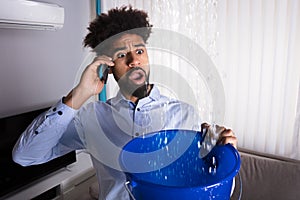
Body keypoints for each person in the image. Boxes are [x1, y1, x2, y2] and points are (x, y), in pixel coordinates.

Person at [13, 6, 237, 200]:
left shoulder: (184, 114)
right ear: (107, 66)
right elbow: (25, 156)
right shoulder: (92, 118)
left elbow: (211, 187)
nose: (134, 60)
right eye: (121, 55)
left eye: (139, 50)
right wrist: (79, 95)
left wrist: (225, 155)